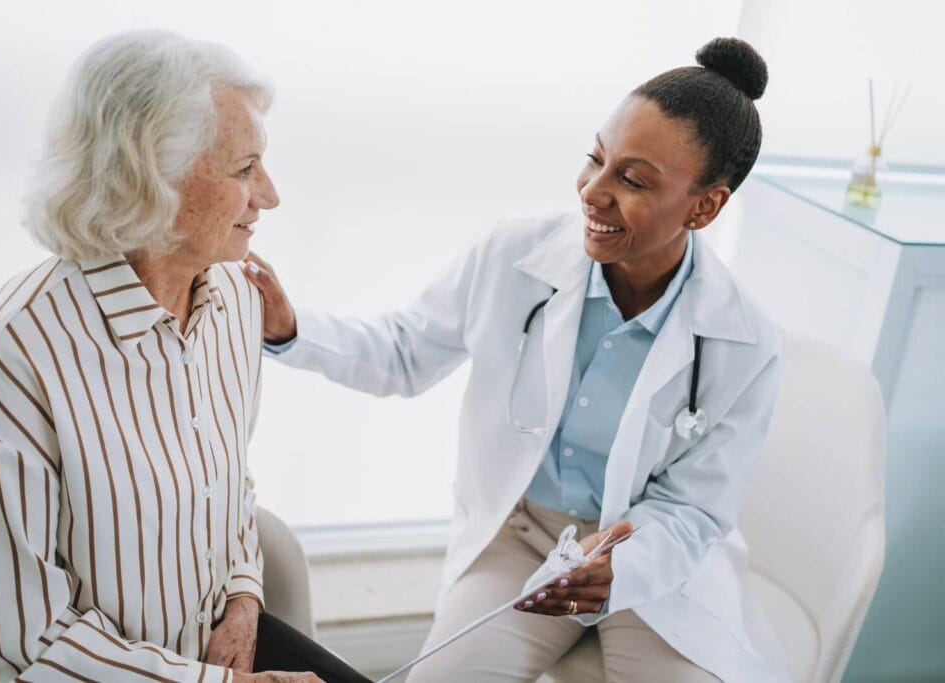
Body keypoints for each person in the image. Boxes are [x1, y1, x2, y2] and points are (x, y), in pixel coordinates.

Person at [245, 37, 789, 682]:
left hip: (658, 561)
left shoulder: (744, 340)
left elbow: (696, 507)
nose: (593, 191)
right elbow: (404, 354)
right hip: (523, 537)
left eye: (634, 180)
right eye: (596, 157)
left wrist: (625, 564)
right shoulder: (513, 256)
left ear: (705, 206)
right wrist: (290, 328)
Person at [0, 30, 368, 683]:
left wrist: (244, 598)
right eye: (245, 169)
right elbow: (21, 645)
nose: (269, 195)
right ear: (150, 175)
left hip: (195, 657)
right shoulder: (21, 344)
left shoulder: (238, 299)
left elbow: (229, 484)